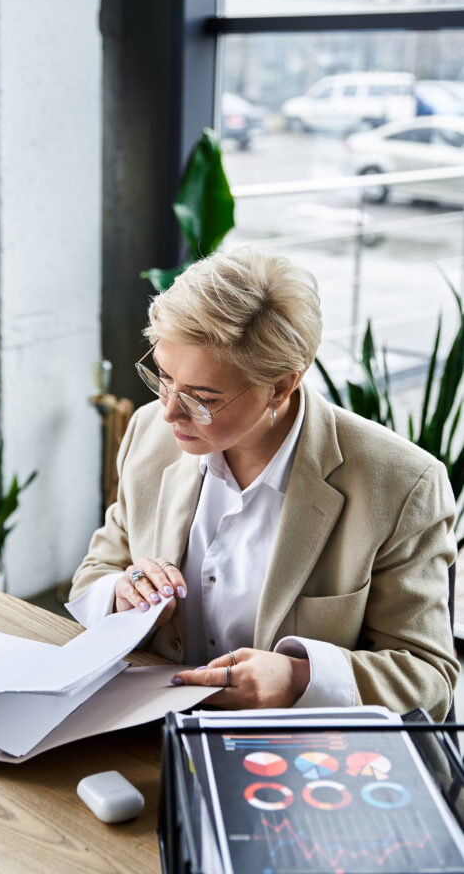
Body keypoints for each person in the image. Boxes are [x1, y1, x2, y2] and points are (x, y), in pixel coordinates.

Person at [68, 247, 459, 720]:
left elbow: (429, 678)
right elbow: (101, 564)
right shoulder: (150, 433)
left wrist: (300, 679)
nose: (169, 410)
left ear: (280, 386)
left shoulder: (402, 485)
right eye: (164, 377)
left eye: (202, 398)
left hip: (301, 756)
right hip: (149, 728)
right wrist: (121, 590)